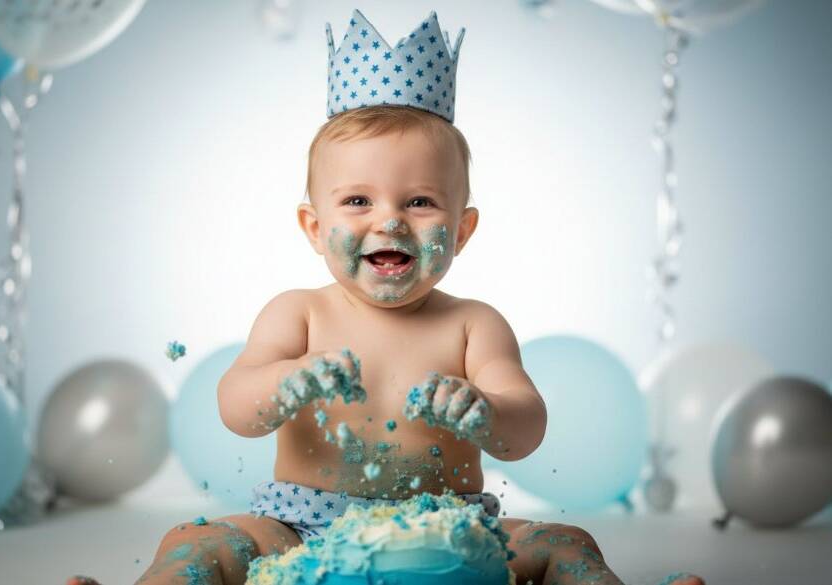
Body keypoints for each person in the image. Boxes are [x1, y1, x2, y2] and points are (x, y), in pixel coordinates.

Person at [69, 9, 705, 585]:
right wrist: (286, 381)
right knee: (195, 543)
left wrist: (485, 411)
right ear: (315, 228)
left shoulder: (472, 325)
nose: (390, 221)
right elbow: (237, 406)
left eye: (421, 202)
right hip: (302, 527)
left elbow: (526, 426)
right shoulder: (299, 312)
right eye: (357, 201)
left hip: (452, 529)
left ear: (462, 229)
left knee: (565, 542)